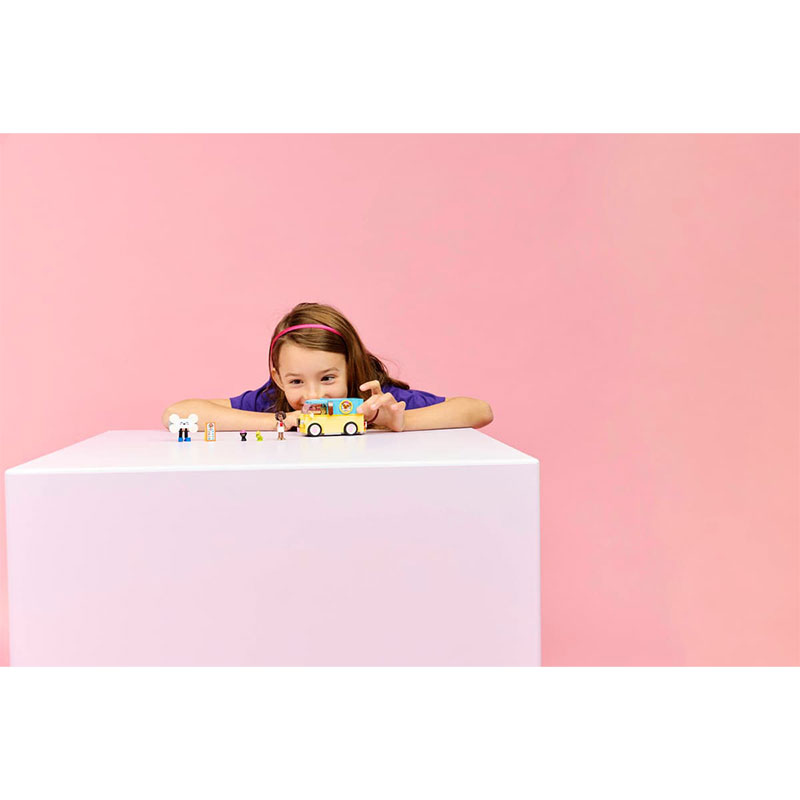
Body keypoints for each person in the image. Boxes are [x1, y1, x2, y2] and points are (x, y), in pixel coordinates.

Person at [162, 302, 493, 432]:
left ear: (351, 368)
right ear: (278, 378)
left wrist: (394, 422)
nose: (313, 394)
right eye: (296, 381)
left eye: (328, 378)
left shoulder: (374, 402)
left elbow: (479, 410)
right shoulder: (274, 402)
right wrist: (283, 420)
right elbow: (176, 414)